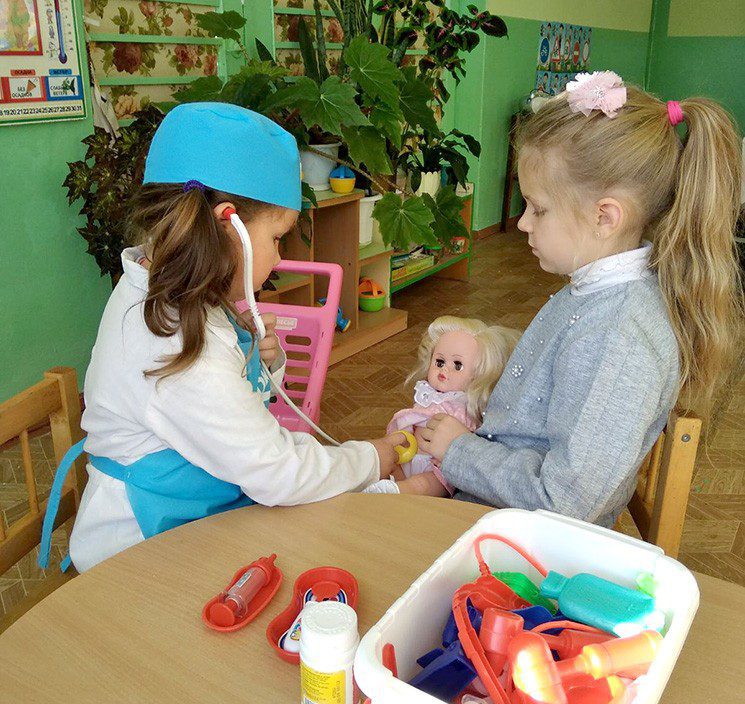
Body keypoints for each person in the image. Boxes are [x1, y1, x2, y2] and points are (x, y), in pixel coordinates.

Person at [44, 103, 403, 572]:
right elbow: (278, 473)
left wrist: (258, 360)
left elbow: (234, 417)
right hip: (137, 556)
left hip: (190, 514)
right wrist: (372, 458)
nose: (279, 258)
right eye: (277, 238)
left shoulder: (165, 288)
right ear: (227, 222)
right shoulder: (173, 341)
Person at [417, 72, 743, 528]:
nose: (523, 223)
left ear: (605, 217)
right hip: (494, 502)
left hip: (522, 543)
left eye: (538, 208)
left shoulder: (618, 336)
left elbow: (566, 499)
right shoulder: (595, 292)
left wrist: (460, 450)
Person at [364, 316, 518, 496]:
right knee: (383, 465)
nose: (444, 369)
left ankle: (398, 492)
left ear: (478, 375)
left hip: (437, 468)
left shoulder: (463, 408)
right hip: (409, 457)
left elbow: (469, 440)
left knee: (423, 484)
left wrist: (452, 455)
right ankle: (381, 489)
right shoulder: (426, 394)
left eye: (457, 365)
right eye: (440, 362)